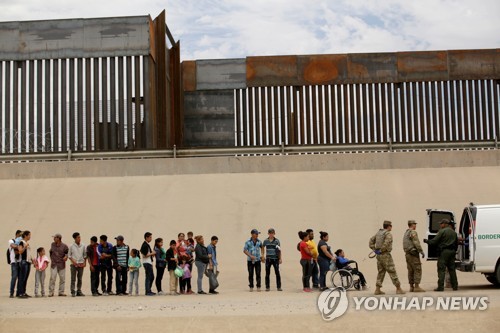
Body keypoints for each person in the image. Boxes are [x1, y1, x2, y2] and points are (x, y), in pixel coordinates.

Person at [369, 221, 405, 295]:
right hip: (385, 255)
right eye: (391, 226)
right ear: (388, 226)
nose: (391, 227)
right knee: (392, 271)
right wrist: (381, 250)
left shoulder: (378, 233)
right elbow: (386, 243)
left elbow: (371, 241)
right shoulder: (388, 234)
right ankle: (398, 288)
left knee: (381, 272)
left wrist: (375, 249)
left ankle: (377, 289)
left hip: (379, 256)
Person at [424, 219, 459, 291]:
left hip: (444, 252)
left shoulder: (442, 231)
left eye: (441, 223)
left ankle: (440, 287)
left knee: (441, 269)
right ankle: (455, 286)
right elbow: (456, 244)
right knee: (452, 270)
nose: (440, 225)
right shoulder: (454, 232)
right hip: (452, 252)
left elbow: (434, 241)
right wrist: (454, 251)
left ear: (445, 224)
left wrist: (427, 241)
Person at [403, 220, 425, 292]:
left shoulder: (406, 233)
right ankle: (417, 287)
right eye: (414, 224)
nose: (415, 225)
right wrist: (421, 251)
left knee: (410, 270)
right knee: (417, 269)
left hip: (407, 254)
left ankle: (411, 287)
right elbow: (416, 243)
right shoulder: (413, 232)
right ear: (412, 225)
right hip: (413, 254)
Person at [68, 232, 87, 297]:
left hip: (81, 264)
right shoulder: (71, 246)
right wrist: (73, 261)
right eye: (78, 237)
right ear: (75, 238)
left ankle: (79, 291)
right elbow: (69, 255)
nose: (79, 238)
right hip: (73, 264)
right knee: (73, 278)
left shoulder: (83, 245)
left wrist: (85, 263)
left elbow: (85, 255)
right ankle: (73, 291)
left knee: (80, 278)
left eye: (80, 237)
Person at [17, 230, 32, 298]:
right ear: (25, 235)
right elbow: (20, 251)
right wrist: (25, 247)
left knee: (25, 278)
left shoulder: (26, 243)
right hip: (23, 262)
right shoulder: (21, 242)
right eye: (29, 235)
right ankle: (20, 293)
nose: (30, 236)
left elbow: (28, 253)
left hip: (28, 262)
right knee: (22, 278)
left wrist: (32, 260)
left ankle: (23, 292)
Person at [8, 230, 23, 298]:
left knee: (20, 278)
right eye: (20, 235)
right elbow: (13, 246)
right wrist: (20, 247)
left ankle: (18, 293)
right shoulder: (11, 240)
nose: (21, 237)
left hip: (20, 261)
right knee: (14, 277)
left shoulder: (21, 242)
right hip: (14, 262)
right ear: (16, 234)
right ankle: (11, 293)